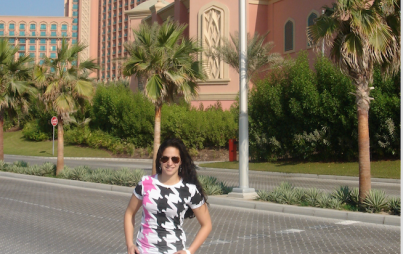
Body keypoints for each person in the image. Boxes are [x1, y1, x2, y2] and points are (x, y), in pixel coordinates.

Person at [124, 138, 212, 254]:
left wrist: (189, 251)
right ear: (160, 160)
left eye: (175, 159)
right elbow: (129, 213)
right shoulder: (145, 183)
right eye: (165, 158)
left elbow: (207, 225)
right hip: (143, 250)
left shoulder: (189, 190)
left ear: (181, 161)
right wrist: (130, 245)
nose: (170, 163)